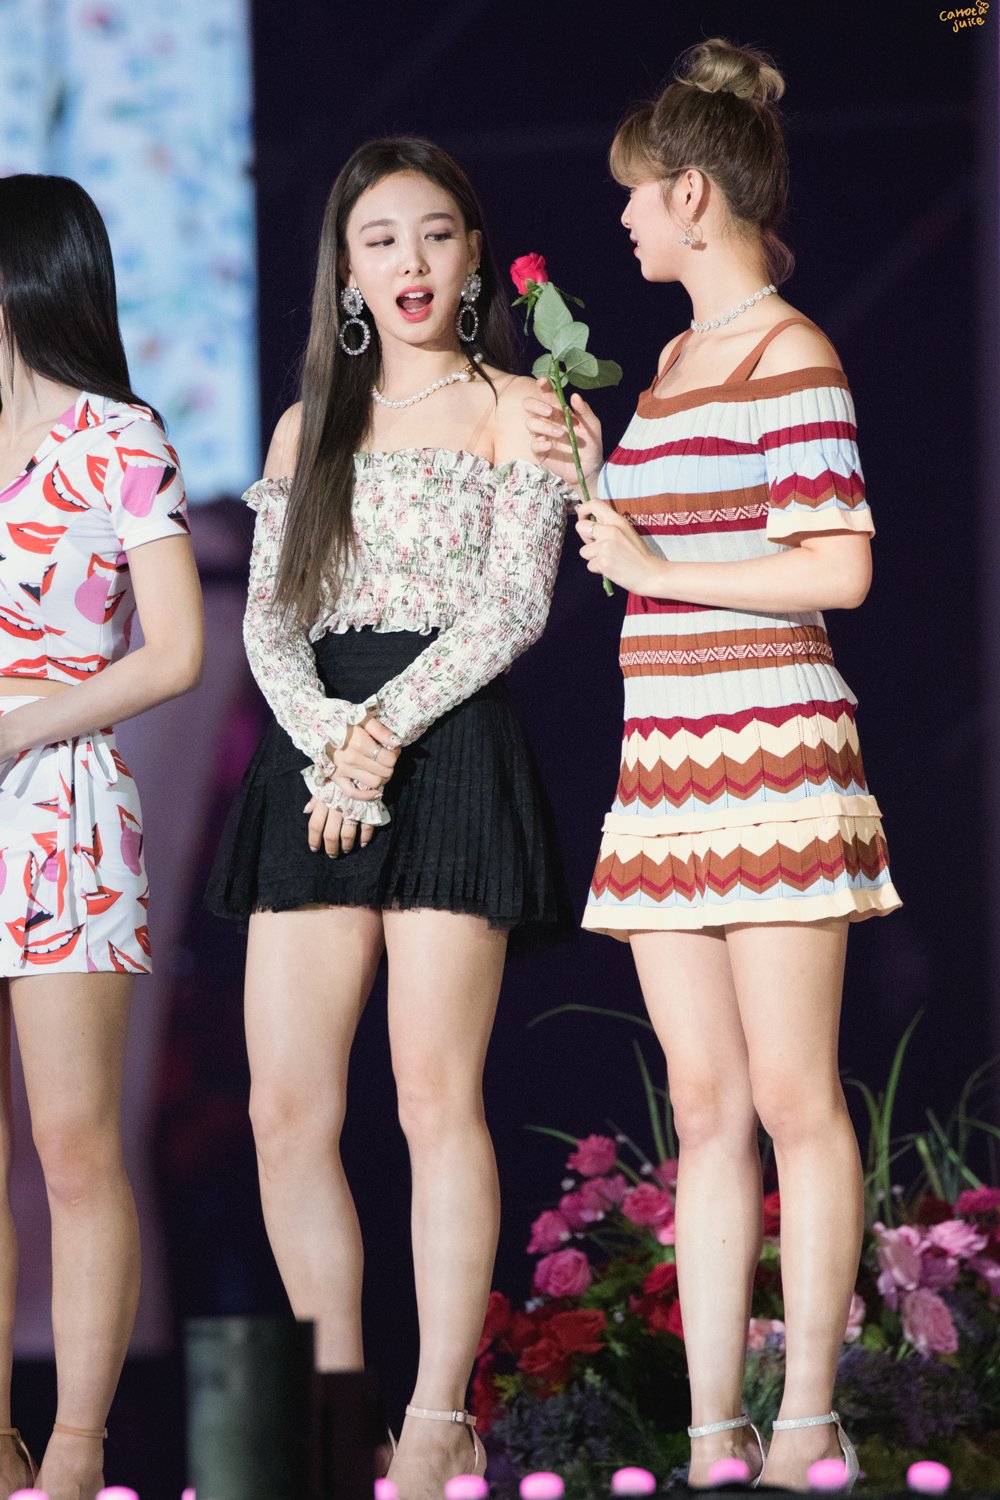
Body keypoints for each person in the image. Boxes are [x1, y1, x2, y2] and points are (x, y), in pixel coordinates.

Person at [525, 38, 900, 1494]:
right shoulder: (677, 360)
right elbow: (656, 550)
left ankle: (806, 1417)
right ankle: (710, 1431)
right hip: (667, 754)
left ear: (692, 194)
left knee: (797, 1095)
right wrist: (592, 477)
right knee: (703, 1105)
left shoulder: (790, 355)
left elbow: (837, 568)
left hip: (772, 750)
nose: (624, 219)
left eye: (638, 194)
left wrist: (657, 562)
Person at [206, 136, 567, 1500]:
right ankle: (332, 1419)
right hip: (318, 756)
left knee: (431, 1093)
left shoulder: (521, 409)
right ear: (346, 273)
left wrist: (381, 739)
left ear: (471, 256)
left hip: (448, 740)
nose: (410, 263)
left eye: (434, 235)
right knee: (285, 1108)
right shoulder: (310, 422)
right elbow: (268, 618)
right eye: (380, 241)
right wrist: (329, 747)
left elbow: (515, 607)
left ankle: (435, 1420)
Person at [0, 174, 203, 1500]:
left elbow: (175, 652)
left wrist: (22, 724)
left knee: (73, 1148)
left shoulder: (119, 437)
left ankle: (76, 1450)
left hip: (60, 806)